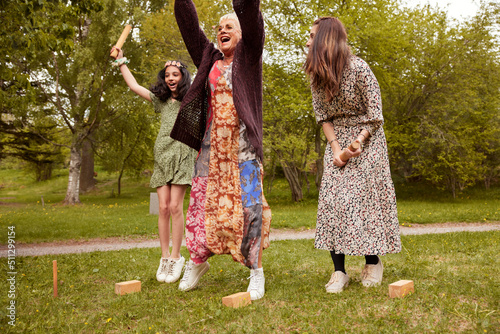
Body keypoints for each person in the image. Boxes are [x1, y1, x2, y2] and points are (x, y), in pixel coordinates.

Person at [170, 0, 271, 300]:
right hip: (211, 150)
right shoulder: (209, 59)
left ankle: (256, 273)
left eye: (229, 26)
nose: (222, 30)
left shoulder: (249, 56)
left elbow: (252, 17)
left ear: (242, 34)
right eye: (219, 28)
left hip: (243, 149)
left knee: (250, 207)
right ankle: (198, 261)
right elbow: (190, 28)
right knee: (201, 206)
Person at [304, 17, 401, 293]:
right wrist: (337, 149)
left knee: (362, 201)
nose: (308, 42)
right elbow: (323, 117)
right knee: (334, 202)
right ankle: (338, 271)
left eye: (312, 36)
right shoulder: (316, 75)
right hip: (337, 139)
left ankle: (373, 262)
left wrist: (356, 144)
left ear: (326, 39)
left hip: (367, 139)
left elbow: (375, 116)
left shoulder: (360, 69)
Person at [110, 47, 197, 284]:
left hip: (182, 153)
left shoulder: (191, 99)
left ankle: (177, 257)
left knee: (176, 207)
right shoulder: (160, 101)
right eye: (167, 74)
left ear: (183, 77)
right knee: (163, 208)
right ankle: (165, 257)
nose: (170, 78)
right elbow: (134, 86)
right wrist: (121, 62)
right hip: (162, 154)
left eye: (175, 75)